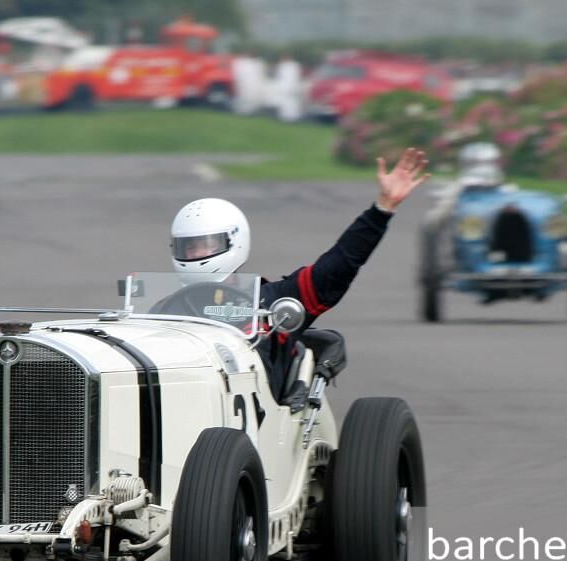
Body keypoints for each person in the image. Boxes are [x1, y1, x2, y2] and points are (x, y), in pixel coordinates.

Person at [161, 148, 429, 401]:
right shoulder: (163, 311)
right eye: (190, 247)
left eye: (206, 245)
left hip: (258, 419)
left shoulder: (273, 301)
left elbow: (338, 265)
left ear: (234, 242)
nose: (196, 254)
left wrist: (381, 210)